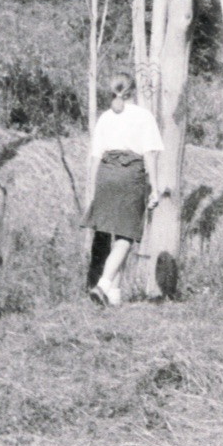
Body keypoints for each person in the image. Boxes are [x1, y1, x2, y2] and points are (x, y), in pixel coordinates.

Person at [85, 74, 165, 305]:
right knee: (126, 235)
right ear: (134, 91)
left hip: (105, 175)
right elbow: (150, 153)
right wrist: (155, 188)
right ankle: (103, 285)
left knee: (113, 232)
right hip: (130, 175)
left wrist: (93, 187)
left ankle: (114, 296)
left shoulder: (105, 118)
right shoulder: (143, 116)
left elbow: (95, 156)